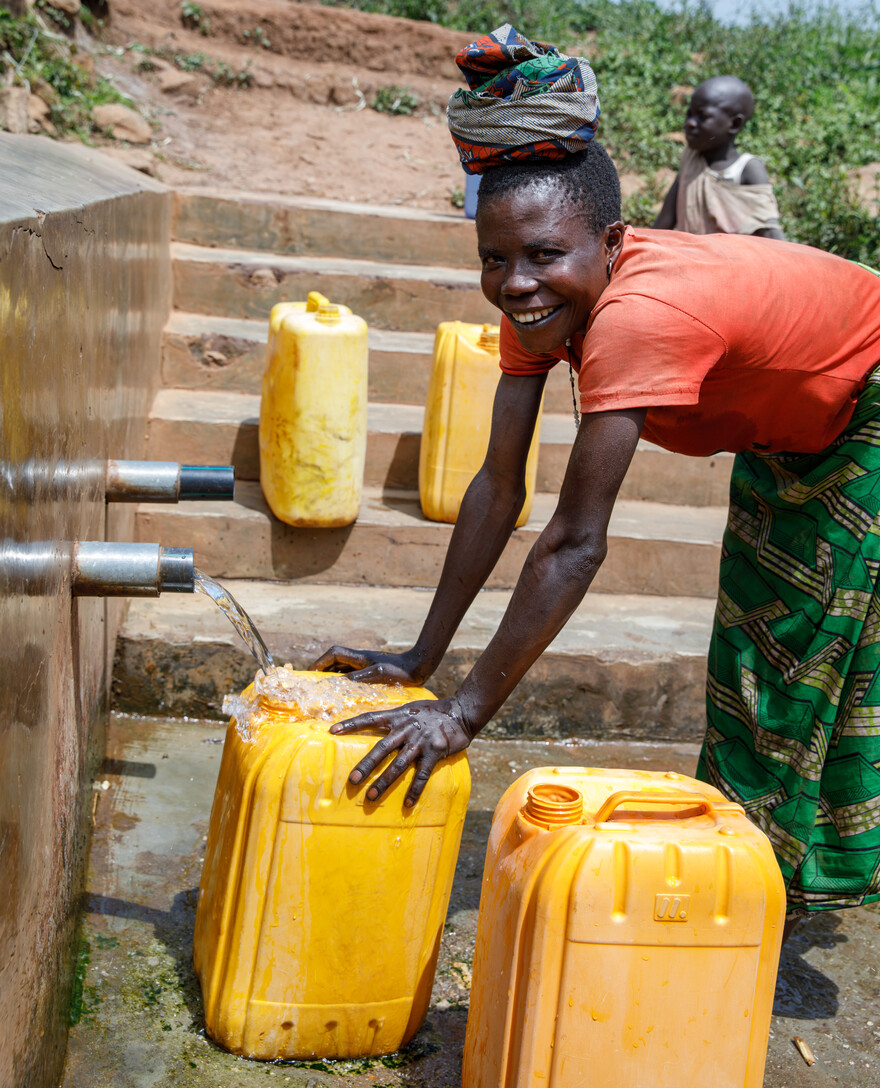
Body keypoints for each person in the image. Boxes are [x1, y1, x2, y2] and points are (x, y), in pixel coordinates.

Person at [314, 25, 880, 926]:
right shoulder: (536, 308)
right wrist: (422, 661)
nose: (515, 283)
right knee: (754, 648)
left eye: (543, 255)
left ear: (612, 242)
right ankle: (749, 881)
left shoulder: (637, 318)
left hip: (865, 415)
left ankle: (774, 898)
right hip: (793, 433)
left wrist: (461, 715)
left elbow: (576, 544)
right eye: (493, 260)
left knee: (811, 665)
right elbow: (500, 486)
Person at [653, 75, 785, 240]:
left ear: (734, 124)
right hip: (689, 259)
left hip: (732, 263)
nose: (690, 123)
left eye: (703, 117)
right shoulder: (690, 158)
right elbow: (665, 220)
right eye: (689, 115)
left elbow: (770, 232)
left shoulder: (747, 169)